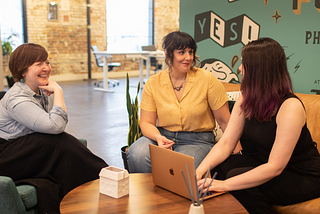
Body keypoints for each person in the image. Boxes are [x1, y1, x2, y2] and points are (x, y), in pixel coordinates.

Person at [196, 38, 320, 213]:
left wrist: (225, 185)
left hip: (301, 175)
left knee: (238, 181)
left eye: (243, 63)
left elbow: (275, 167)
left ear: (258, 69)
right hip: (264, 161)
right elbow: (226, 144)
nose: (239, 68)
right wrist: (199, 171)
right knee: (219, 166)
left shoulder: (290, 107)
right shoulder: (246, 97)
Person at [0, 43, 108, 213]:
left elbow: (51, 125)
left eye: (47, 63)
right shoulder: (17, 99)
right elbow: (55, 126)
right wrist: (58, 92)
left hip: (28, 147)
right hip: (7, 156)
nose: (46, 68)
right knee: (58, 141)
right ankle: (104, 176)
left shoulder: (40, 91)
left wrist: (53, 95)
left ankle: (90, 196)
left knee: (58, 144)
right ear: (23, 71)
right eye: (39, 64)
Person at [127, 31, 239, 173]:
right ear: (168, 53)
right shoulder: (153, 83)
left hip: (198, 141)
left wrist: (238, 151)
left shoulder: (207, 79)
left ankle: (169, 195)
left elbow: (225, 121)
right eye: (181, 52)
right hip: (162, 135)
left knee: (180, 165)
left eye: (190, 52)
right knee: (137, 153)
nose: (188, 57)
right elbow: (146, 123)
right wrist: (158, 138)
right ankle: (147, 194)